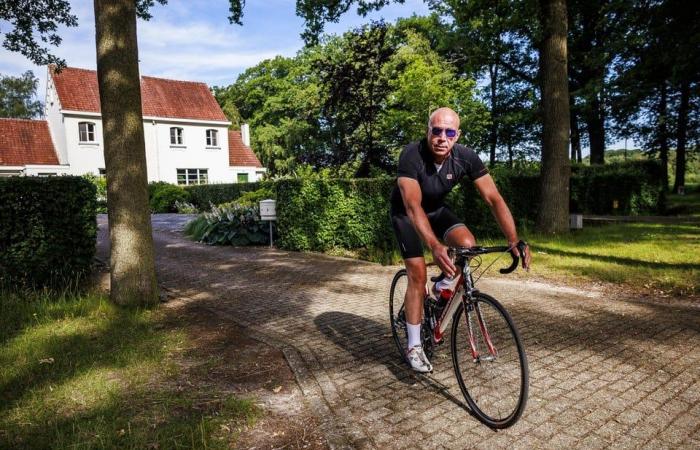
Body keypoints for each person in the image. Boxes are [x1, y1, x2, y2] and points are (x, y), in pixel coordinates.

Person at [390, 107, 531, 373]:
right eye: (437, 130)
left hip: (435, 211)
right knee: (418, 274)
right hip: (407, 214)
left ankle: (443, 287)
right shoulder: (411, 155)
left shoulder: (465, 157)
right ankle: (414, 346)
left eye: (450, 132)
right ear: (428, 131)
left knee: (468, 245)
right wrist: (434, 245)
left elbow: (493, 198)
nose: (442, 137)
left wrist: (513, 240)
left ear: (457, 135)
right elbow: (412, 205)